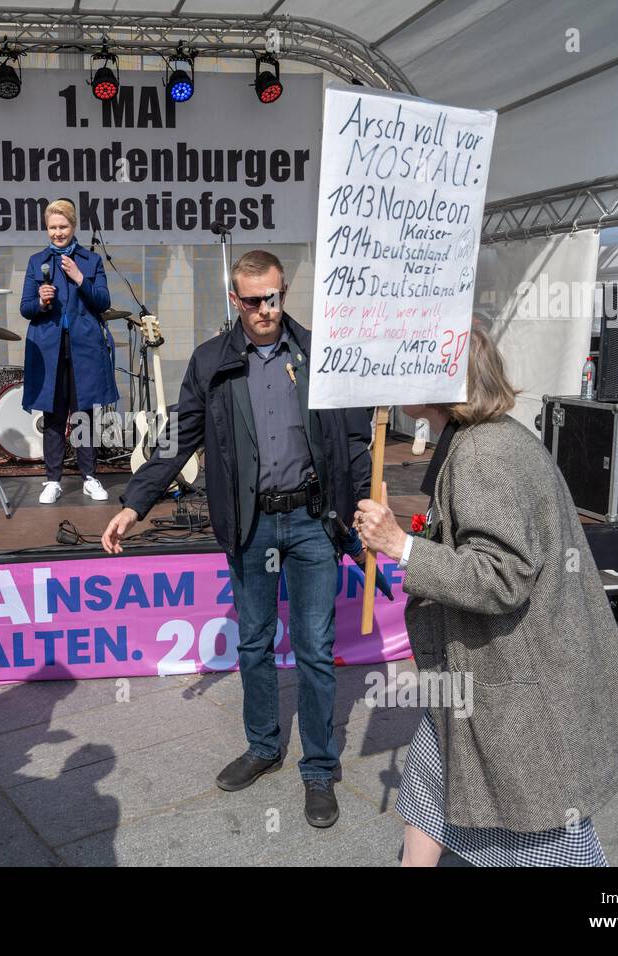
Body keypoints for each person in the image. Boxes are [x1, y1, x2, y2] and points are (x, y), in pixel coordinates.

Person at [353, 326, 618, 866]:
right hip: (479, 675)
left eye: (405, 364)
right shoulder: (493, 436)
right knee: (429, 790)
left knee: (545, 830)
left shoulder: (485, 452)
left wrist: (400, 547)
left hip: (515, 682)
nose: (392, 377)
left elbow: (502, 576)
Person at [102, 249, 372, 828]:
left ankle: (320, 768)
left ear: (282, 293)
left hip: (311, 521)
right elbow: (176, 440)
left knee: (315, 648)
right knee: (253, 642)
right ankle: (264, 746)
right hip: (250, 524)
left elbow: (353, 444)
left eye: (273, 297)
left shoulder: (320, 356)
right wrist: (135, 504)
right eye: (253, 301)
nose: (265, 310)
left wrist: (360, 513)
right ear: (235, 301)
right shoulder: (212, 362)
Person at [18, 199, 117, 504]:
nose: (57, 233)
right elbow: (26, 308)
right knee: (53, 414)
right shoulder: (37, 261)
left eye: (63, 227)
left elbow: (102, 301)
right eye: (52, 228)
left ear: (73, 227)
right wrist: (41, 302)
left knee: (83, 413)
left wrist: (79, 277)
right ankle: (52, 479)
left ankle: (89, 476)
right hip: (49, 348)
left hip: (83, 347)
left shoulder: (91, 260)